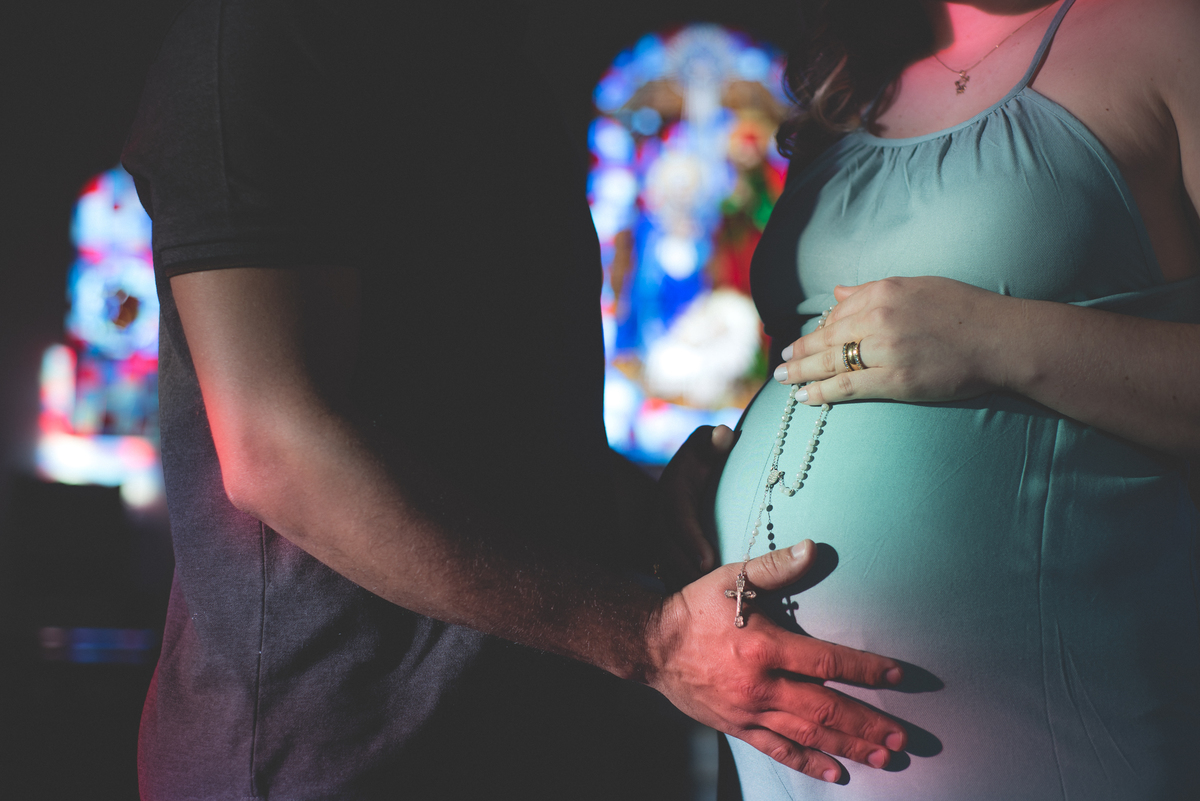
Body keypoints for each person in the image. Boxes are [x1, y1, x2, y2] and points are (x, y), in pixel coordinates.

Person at [120, 0, 915, 797]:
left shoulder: (484, 59)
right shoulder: (263, 38)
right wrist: (653, 637)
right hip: (328, 758)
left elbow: (478, 423)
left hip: (524, 738)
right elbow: (278, 450)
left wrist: (647, 515)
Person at [709, 0, 1200, 797]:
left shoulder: (1172, 30)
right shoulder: (853, 66)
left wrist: (993, 340)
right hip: (785, 729)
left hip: (1050, 727)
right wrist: (717, 477)